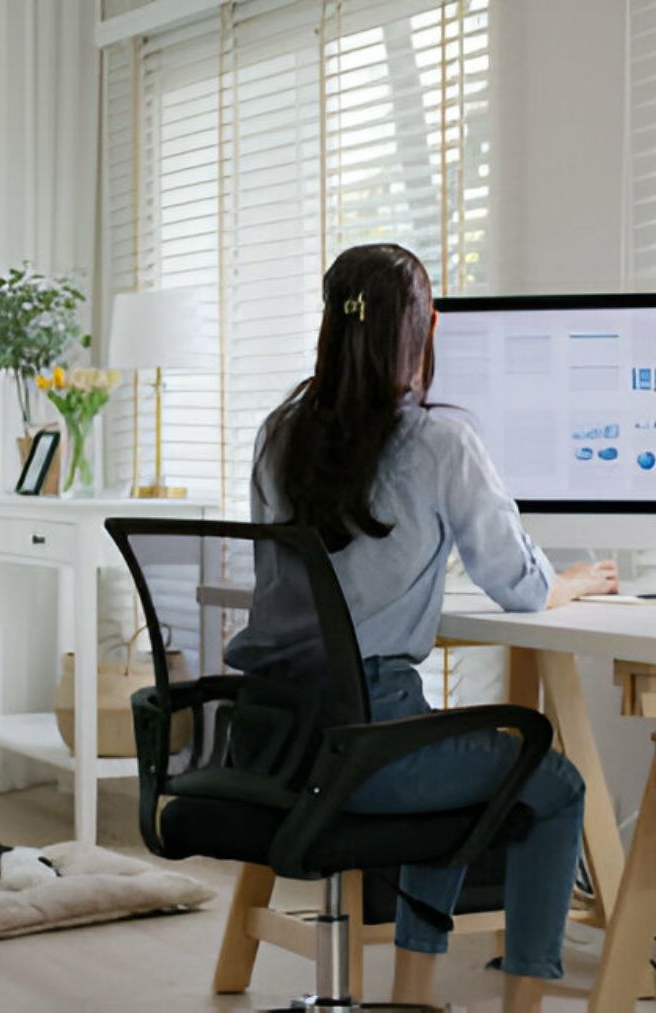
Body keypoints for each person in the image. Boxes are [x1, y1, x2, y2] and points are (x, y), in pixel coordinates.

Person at [248, 243, 617, 1010]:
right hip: (371, 742)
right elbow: (518, 583)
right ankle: (521, 1006)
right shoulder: (438, 440)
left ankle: (414, 995)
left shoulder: (278, 435)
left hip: (278, 736)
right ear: (425, 329)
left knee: (449, 752)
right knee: (550, 780)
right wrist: (571, 581)